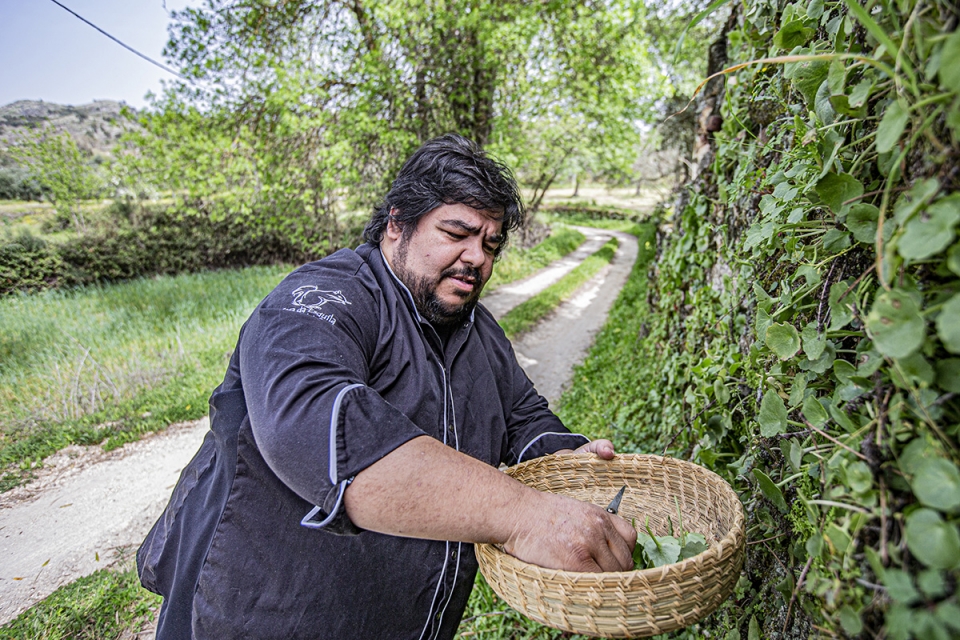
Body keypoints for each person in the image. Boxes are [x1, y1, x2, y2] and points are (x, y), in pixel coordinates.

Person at [137, 134, 637, 640]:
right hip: (260, 610)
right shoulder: (323, 297)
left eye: (490, 245)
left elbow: (523, 417)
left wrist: (570, 461)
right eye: (456, 233)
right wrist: (523, 516)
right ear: (397, 223)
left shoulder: (478, 329)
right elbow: (318, 429)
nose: (476, 258)